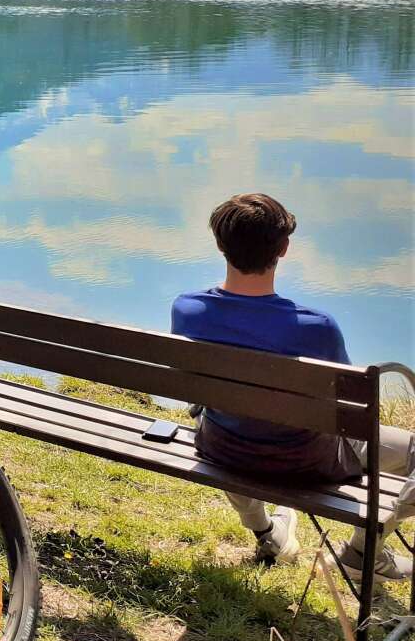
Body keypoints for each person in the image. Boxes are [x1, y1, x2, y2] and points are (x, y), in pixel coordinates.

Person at [172, 193, 413, 581]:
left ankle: (267, 533)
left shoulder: (187, 309)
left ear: (220, 244)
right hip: (307, 461)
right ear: (283, 249)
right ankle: (363, 552)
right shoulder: (317, 327)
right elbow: (347, 410)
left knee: (234, 419)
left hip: (222, 446)